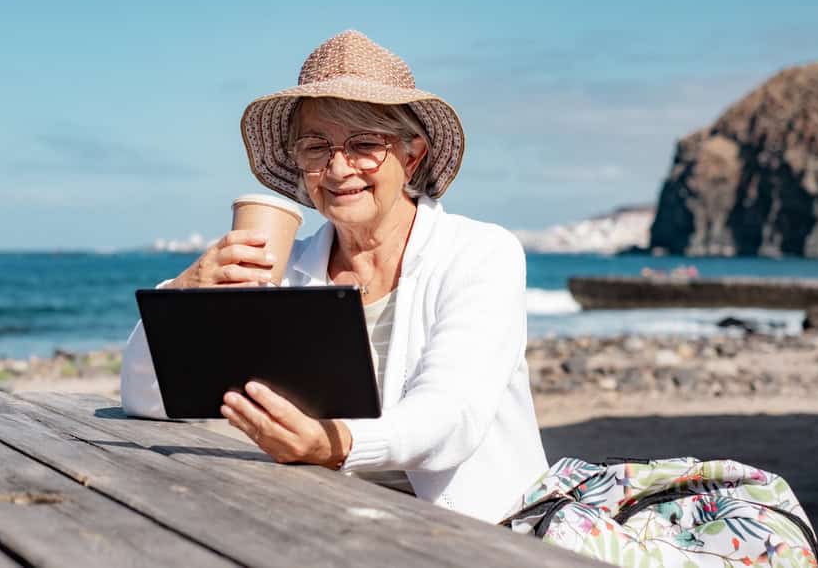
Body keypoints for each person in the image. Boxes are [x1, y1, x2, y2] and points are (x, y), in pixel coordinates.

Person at [121, 30, 548, 524]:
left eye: (365, 143)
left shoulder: (479, 252)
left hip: (479, 532)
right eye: (316, 146)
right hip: (325, 521)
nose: (338, 168)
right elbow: (146, 398)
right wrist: (186, 294)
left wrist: (335, 445)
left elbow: (452, 416)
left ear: (412, 156)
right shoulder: (284, 271)